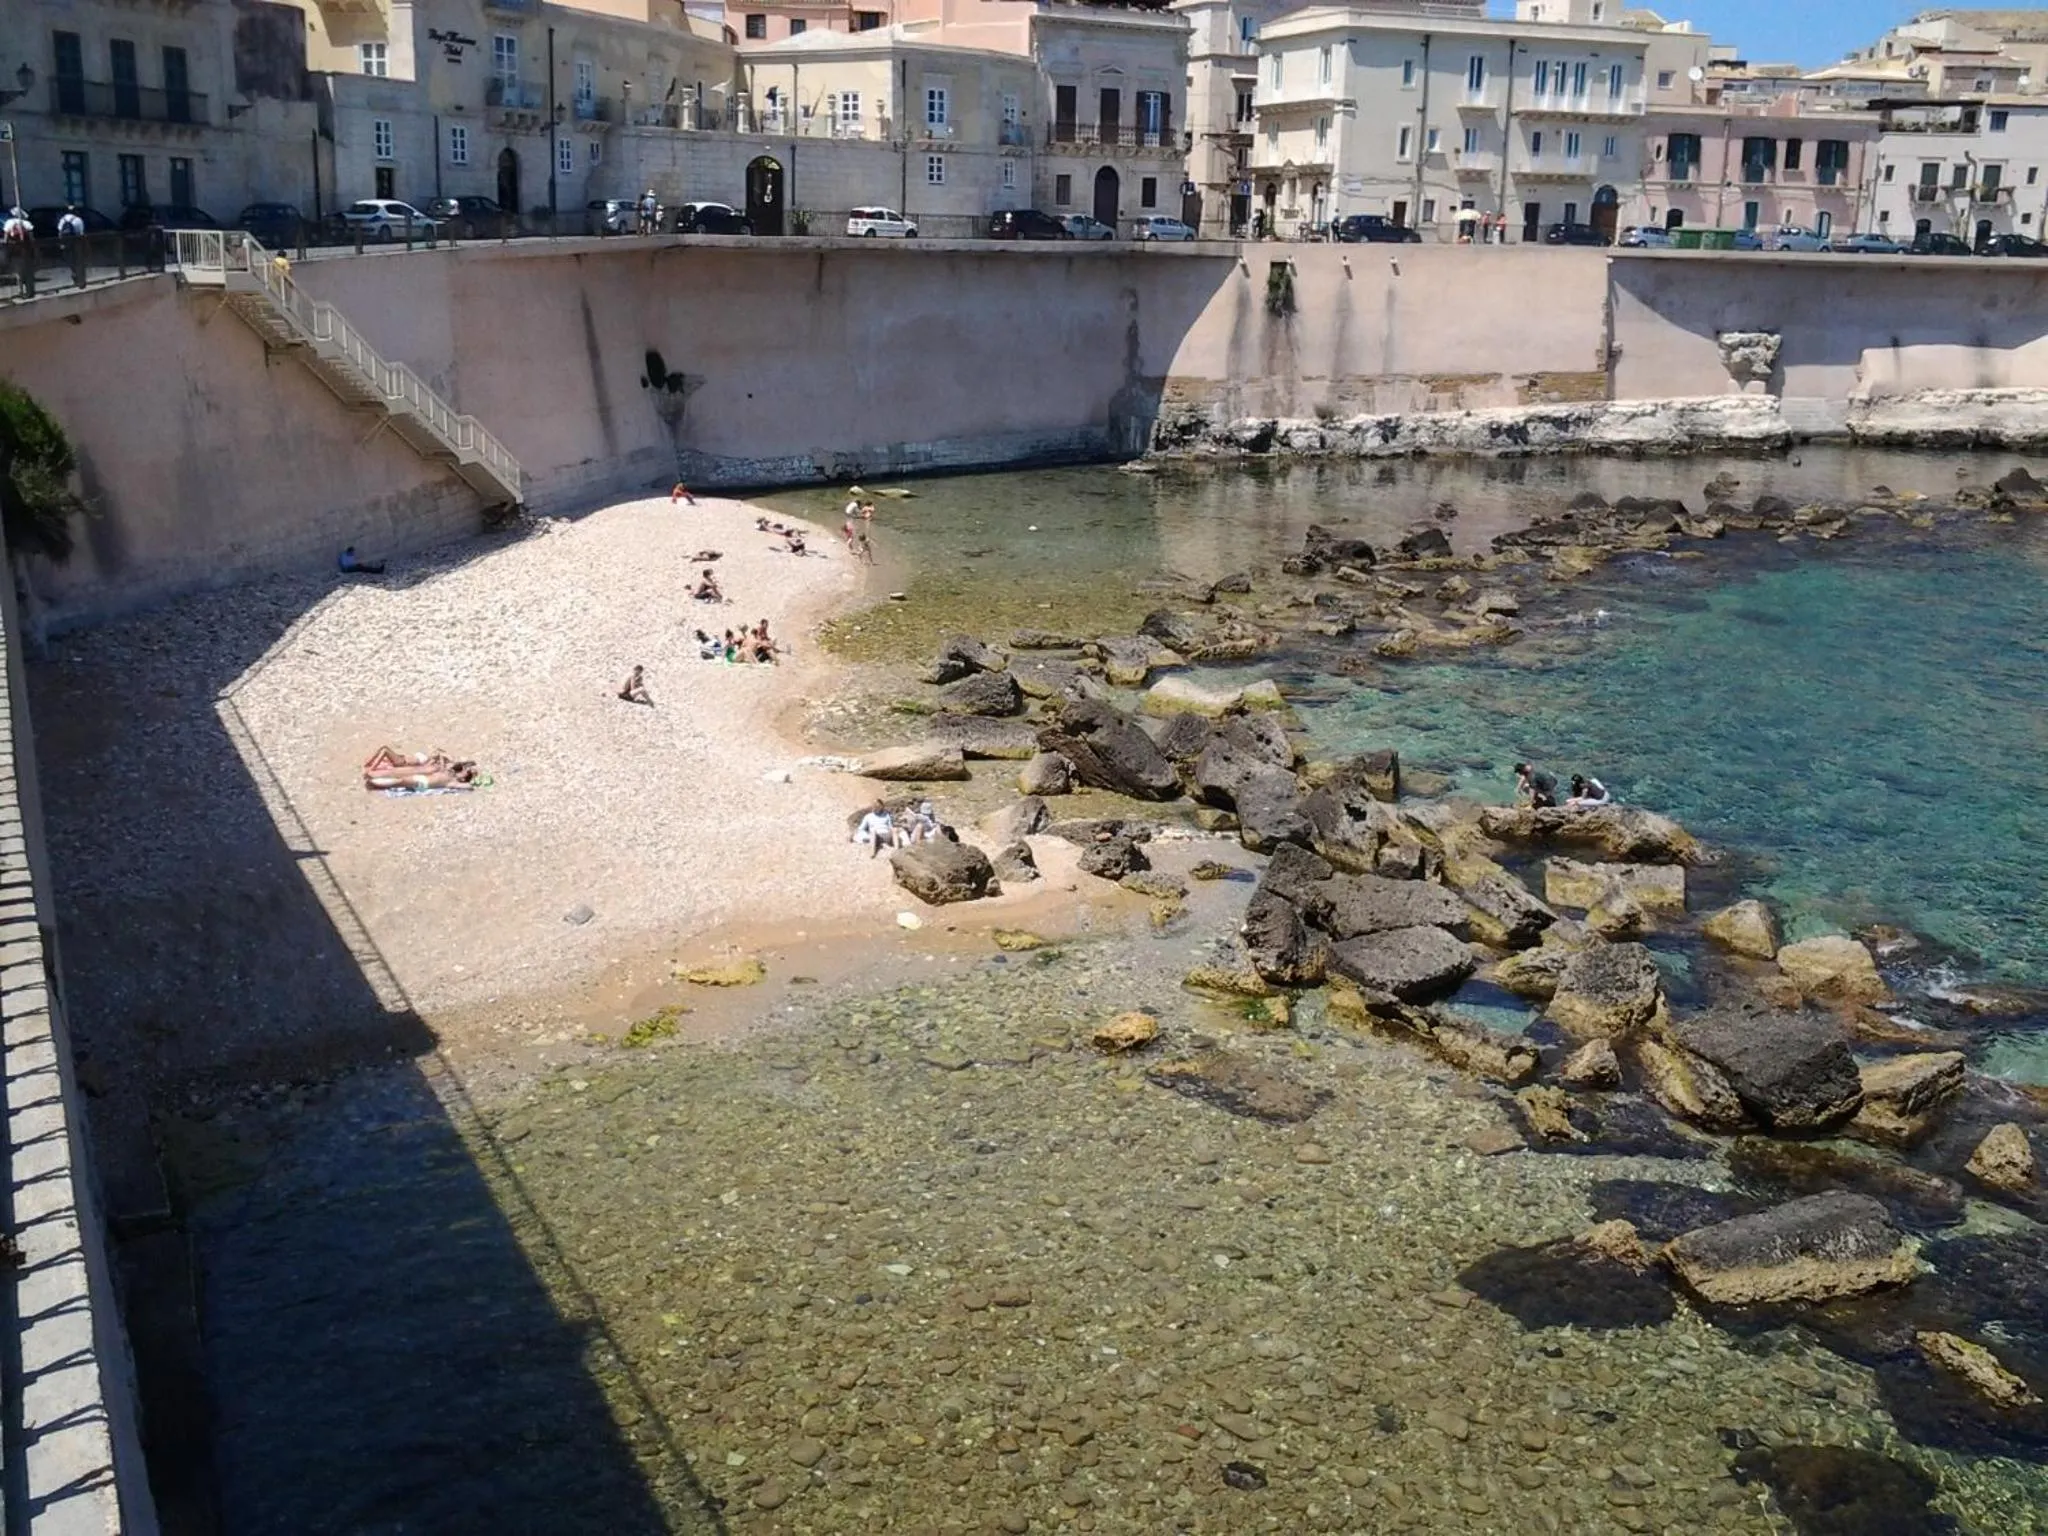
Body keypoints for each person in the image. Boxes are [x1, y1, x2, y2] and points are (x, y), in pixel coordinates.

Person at [363, 746, 479, 792]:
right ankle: (373, 778)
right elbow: (453, 762)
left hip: (423, 782)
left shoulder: (453, 782)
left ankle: (373, 784)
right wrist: (466, 766)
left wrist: (473, 780)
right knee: (396, 775)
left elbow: (470, 787)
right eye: (464, 770)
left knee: (399, 781)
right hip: (422, 777)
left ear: (464, 778)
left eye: (465, 773)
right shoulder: (448, 772)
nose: (464, 772)